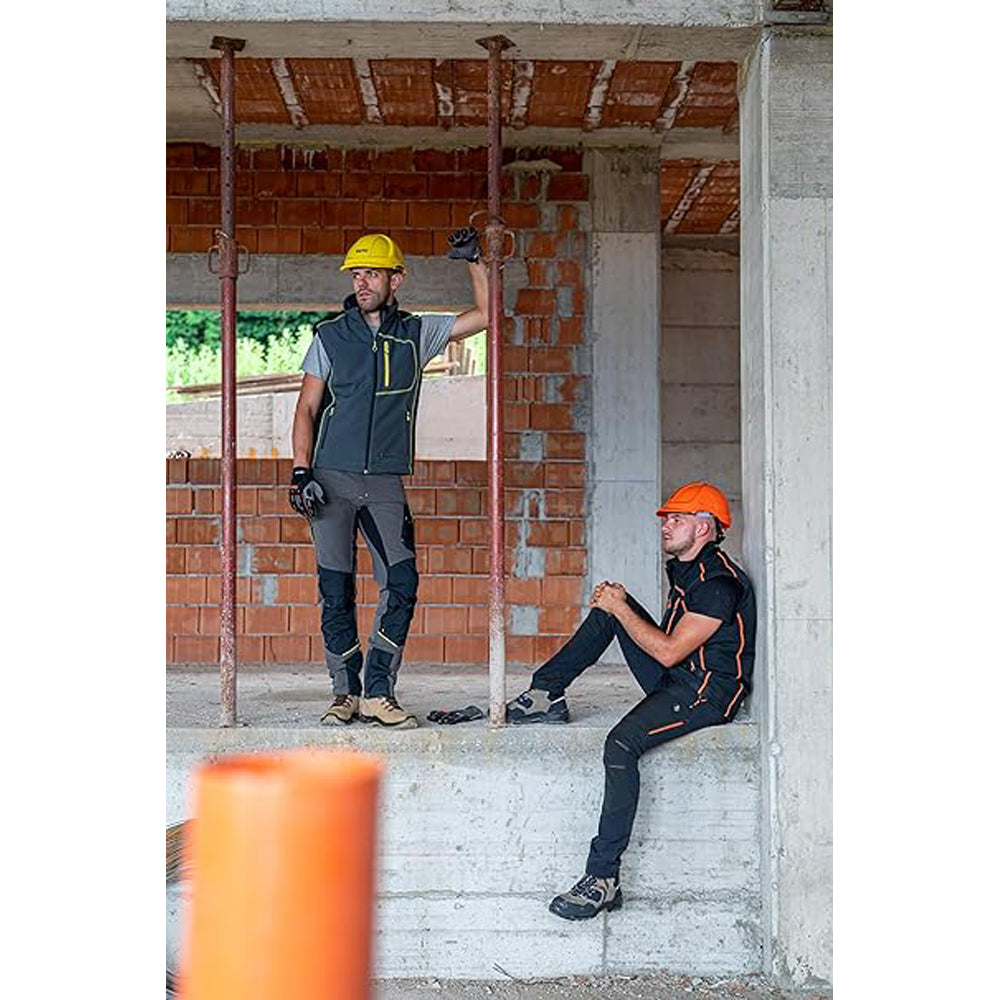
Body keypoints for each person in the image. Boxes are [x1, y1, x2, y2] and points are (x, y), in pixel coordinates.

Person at [506, 481, 756, 919]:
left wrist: (623, 607)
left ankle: (603, 878)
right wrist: (617, 607)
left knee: (620, 744)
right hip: (680, 676)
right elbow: (668, 653)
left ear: (703, 528)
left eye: (676, 518)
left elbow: (668, 651)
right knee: (610, 611)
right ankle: (546, 693)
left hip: (704, 694)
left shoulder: (717, 583)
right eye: (666, 518)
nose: (665, 525)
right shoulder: (690, 569)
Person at [289, 229, 486, 729]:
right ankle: (345, 693)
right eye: (356, 274)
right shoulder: (330, 336)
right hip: (329, 480)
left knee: (401, 582)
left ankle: (379, 690)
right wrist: (300, 470)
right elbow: (307, 407)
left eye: (372, 274)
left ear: (395, 280)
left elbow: (487, 316)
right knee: (335, 588)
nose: (362, 283)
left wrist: (476, 260)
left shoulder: (416, 334)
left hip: (382, 483)